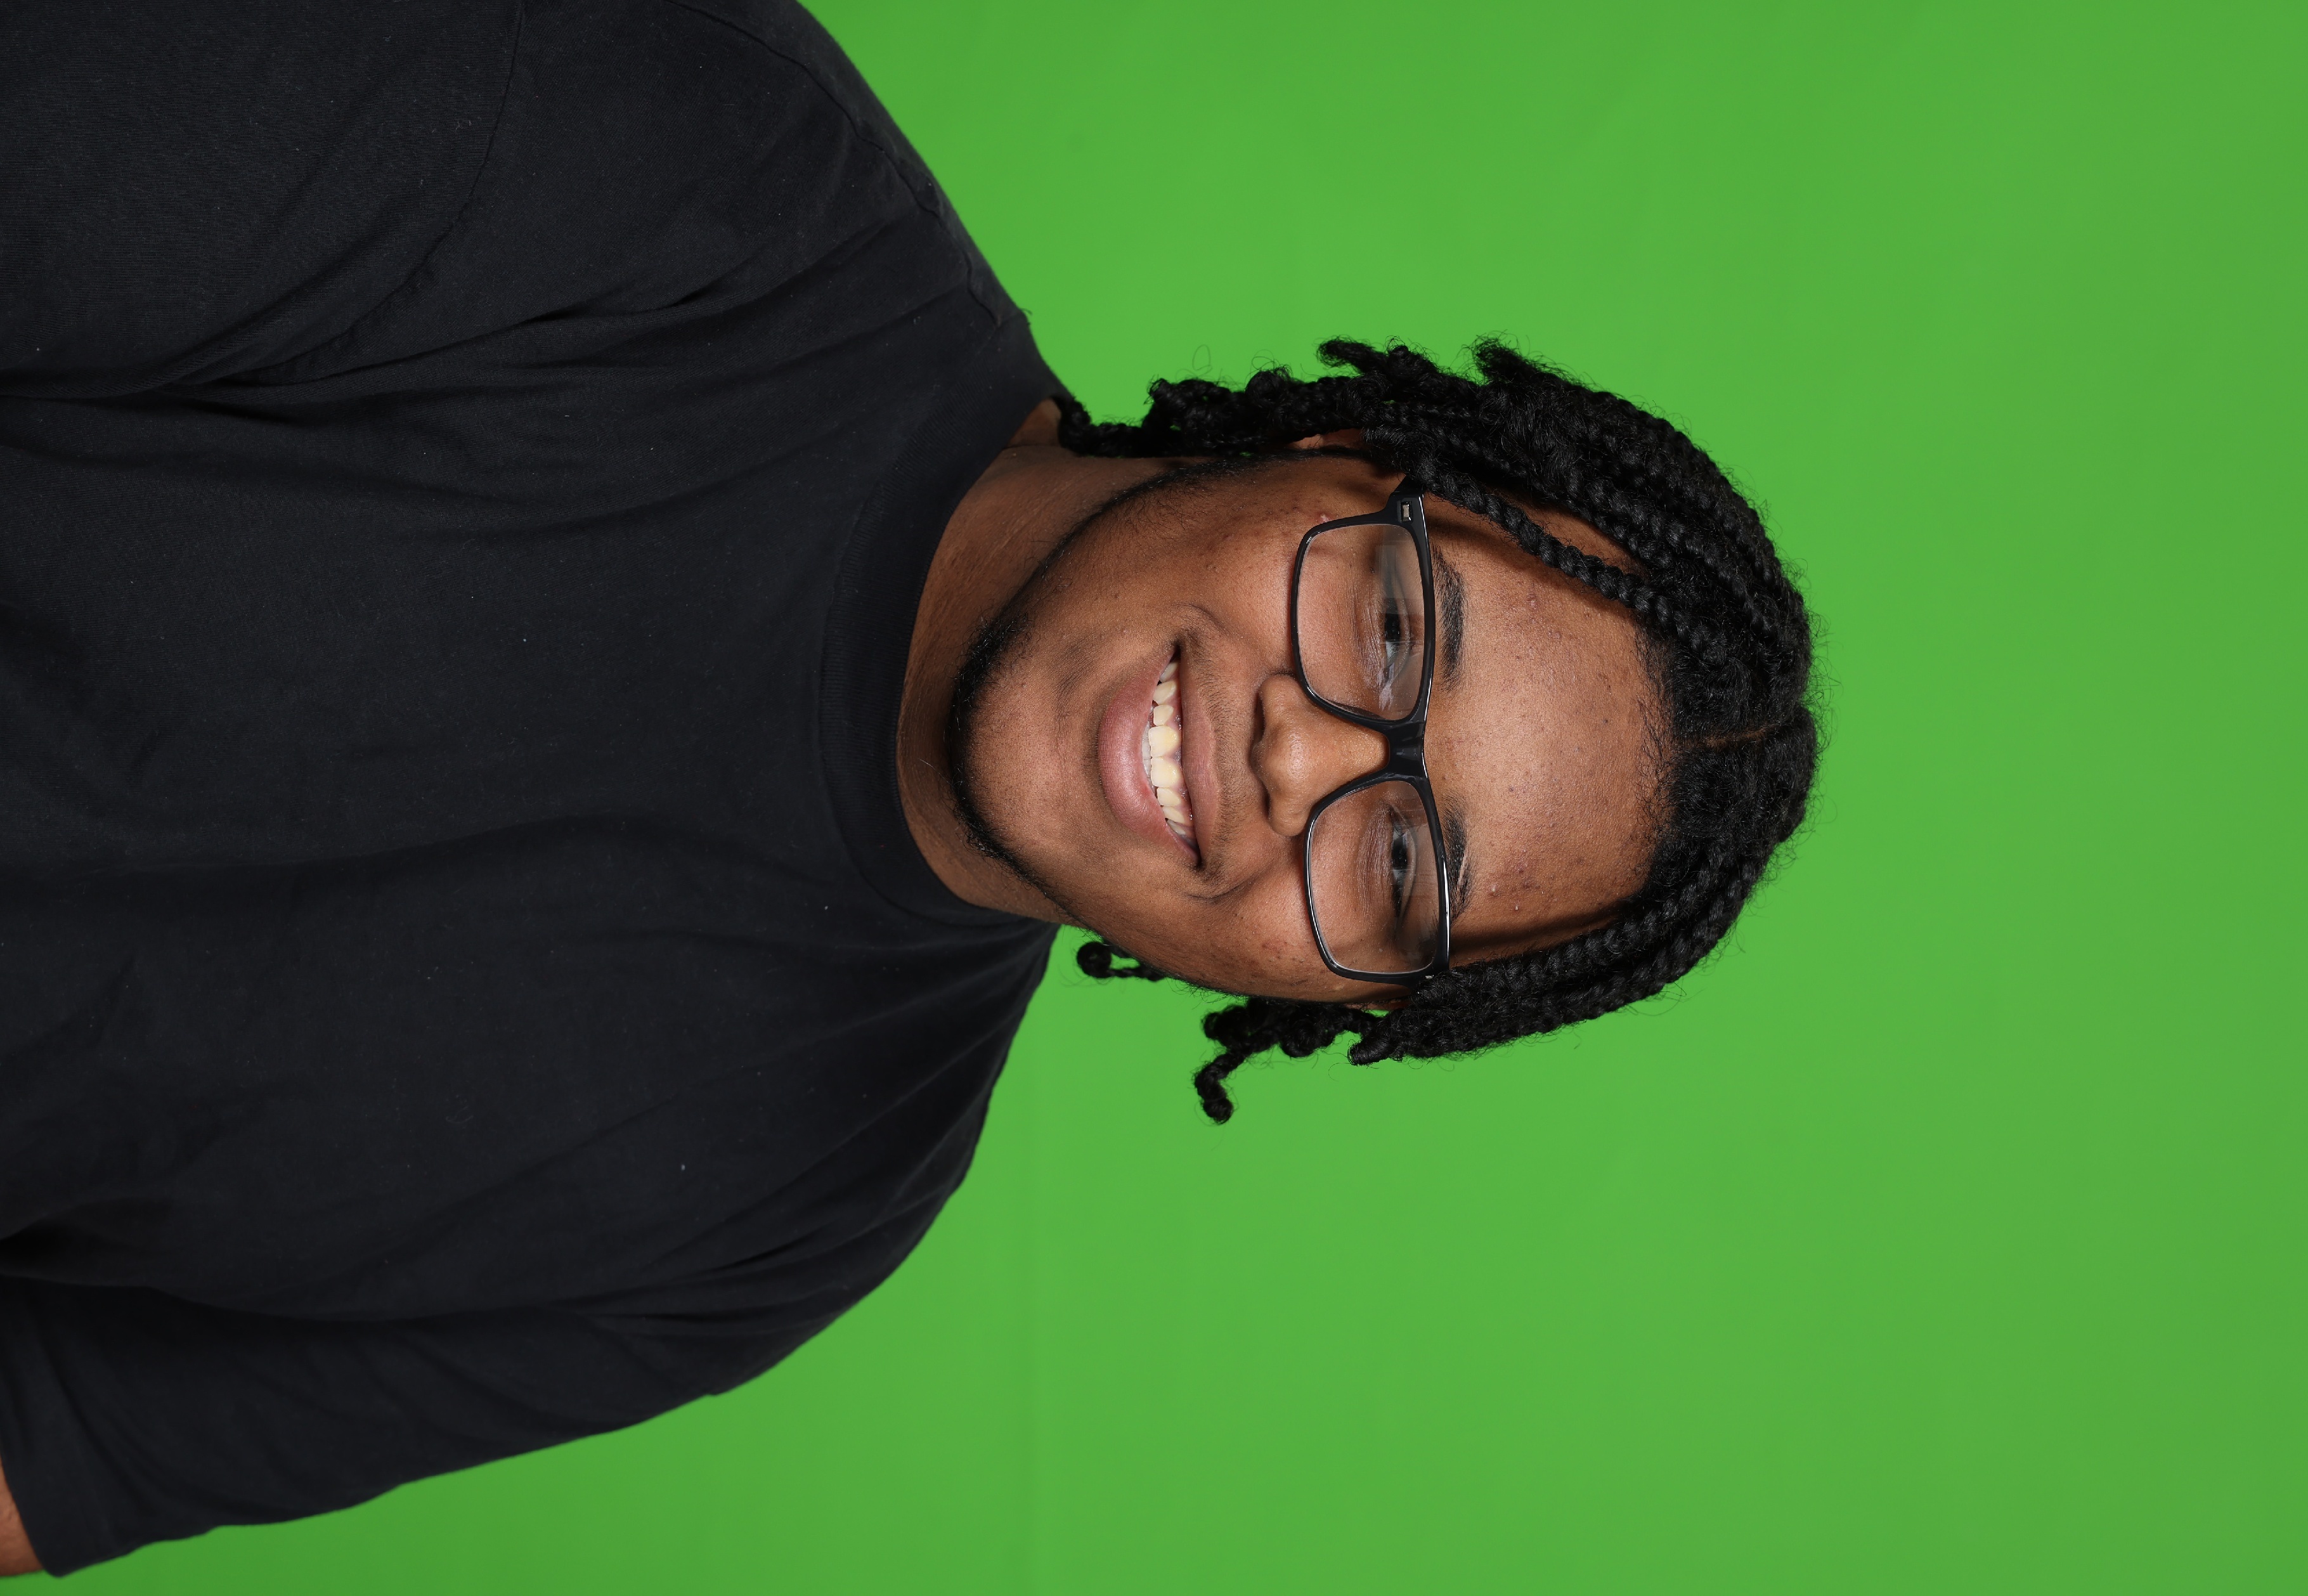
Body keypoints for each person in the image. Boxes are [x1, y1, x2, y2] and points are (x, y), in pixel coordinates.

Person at [0, 0, 1815, 1576]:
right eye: (1396, 627)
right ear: (1337, 451)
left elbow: (45, 1453)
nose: (1303, 758)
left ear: (1337, 1000)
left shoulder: (793, 1217)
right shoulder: (682, 161)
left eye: (1404, 868)